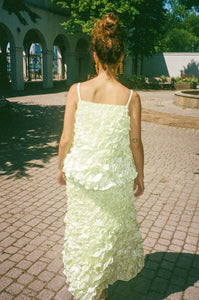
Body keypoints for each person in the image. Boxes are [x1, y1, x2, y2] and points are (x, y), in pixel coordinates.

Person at [57, 12, 144, 300]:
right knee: (108, 232)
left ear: (95, 55)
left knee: (85, 233)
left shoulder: (77, 91)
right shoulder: (131, 96)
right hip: (116, 178)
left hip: (83, 178)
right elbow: (135, 142)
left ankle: (90, 288)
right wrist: (140, 176)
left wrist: (60, 168)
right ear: (121, 56)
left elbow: (66, 139)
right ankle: (101, 285)